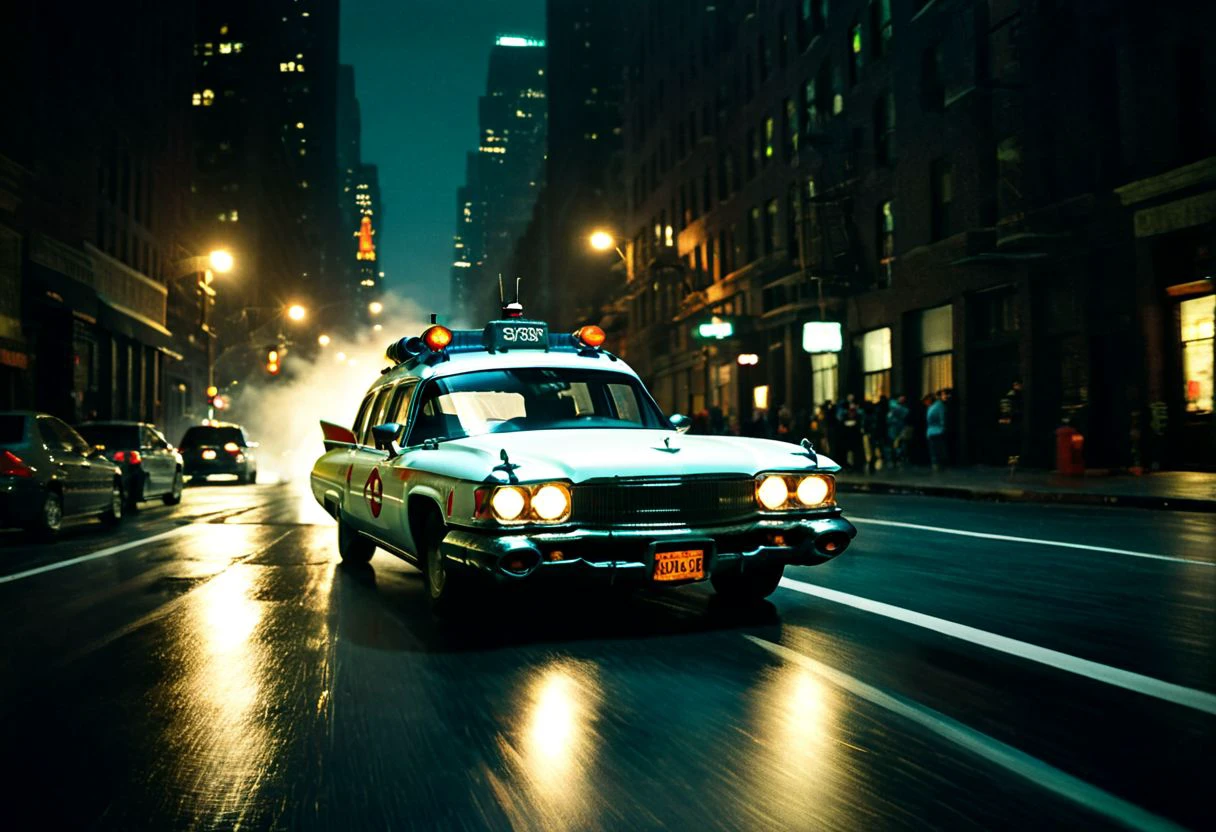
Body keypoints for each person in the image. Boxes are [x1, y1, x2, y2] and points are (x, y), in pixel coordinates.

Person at [926, 389, 950, 471]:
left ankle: (936, 464)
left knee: (935, 449)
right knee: (938, 449)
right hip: (936, 431)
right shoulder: (938, 406)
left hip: (933, 431)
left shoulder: (935, 406)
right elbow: (942, 418)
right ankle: (938, 464)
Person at [887, 394, 910, 467]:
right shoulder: (902, 408)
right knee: (897, 443)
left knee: (899, 443)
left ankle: (897, 457)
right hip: (895, 428)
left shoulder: (896, 408)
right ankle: (897, 457)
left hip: (898, 428)